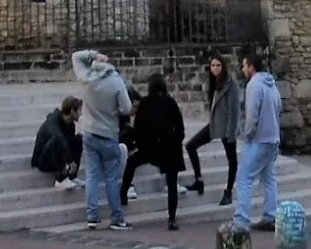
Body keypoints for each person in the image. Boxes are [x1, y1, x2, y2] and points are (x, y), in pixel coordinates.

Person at [72, 48, 133, 231]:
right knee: (112, 178)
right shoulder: (116, 82)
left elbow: (75, 56)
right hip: (108, 133)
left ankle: (92, 216)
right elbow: (127, 109)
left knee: (91, 175)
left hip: (89, 132)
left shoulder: (86, 77)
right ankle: (116, 217)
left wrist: (92, 54)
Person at [121, 73, 187, 231]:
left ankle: (123, 193)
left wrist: (141, 143)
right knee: (172, 185)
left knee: (131, 163)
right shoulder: (170, 102)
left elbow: (138, 128)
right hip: (170, 148)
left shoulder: (145, 103)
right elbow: (180, 127)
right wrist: (175, 140)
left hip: (150, 148)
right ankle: (172, 219)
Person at [232, 52, 282, 233]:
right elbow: (278, 108)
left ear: (251, 67)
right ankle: (271, 215)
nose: (243, 69)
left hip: (259, 139)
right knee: (269, 178)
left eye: (244, 66)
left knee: (244, 177)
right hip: (273, 138)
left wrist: (248, 134)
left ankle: (241, 220)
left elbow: (252, 114)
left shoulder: (253, 85)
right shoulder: (272, 85)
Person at [186, 54, 241, 205]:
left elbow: (234, 110)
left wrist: (231, 133)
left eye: (218, 65)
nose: (215, 68)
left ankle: (228, 191)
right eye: (212, 66)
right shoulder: (213, 83)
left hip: (226, 126)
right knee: (191, 145)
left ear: (223, 67)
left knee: (232, 159)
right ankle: (199, 180)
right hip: (215, 124)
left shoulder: (230, 83)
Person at [32, 97, 84, 190]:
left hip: (58, 157)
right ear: (72, 111)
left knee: (78, 139)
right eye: (79, 110)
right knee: (58, 139)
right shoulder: (53, 121)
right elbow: (58, 139)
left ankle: (72, 176)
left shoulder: (71, 124)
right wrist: (69, 161)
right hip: (43, 159)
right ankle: (60, 180)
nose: (81, 114)